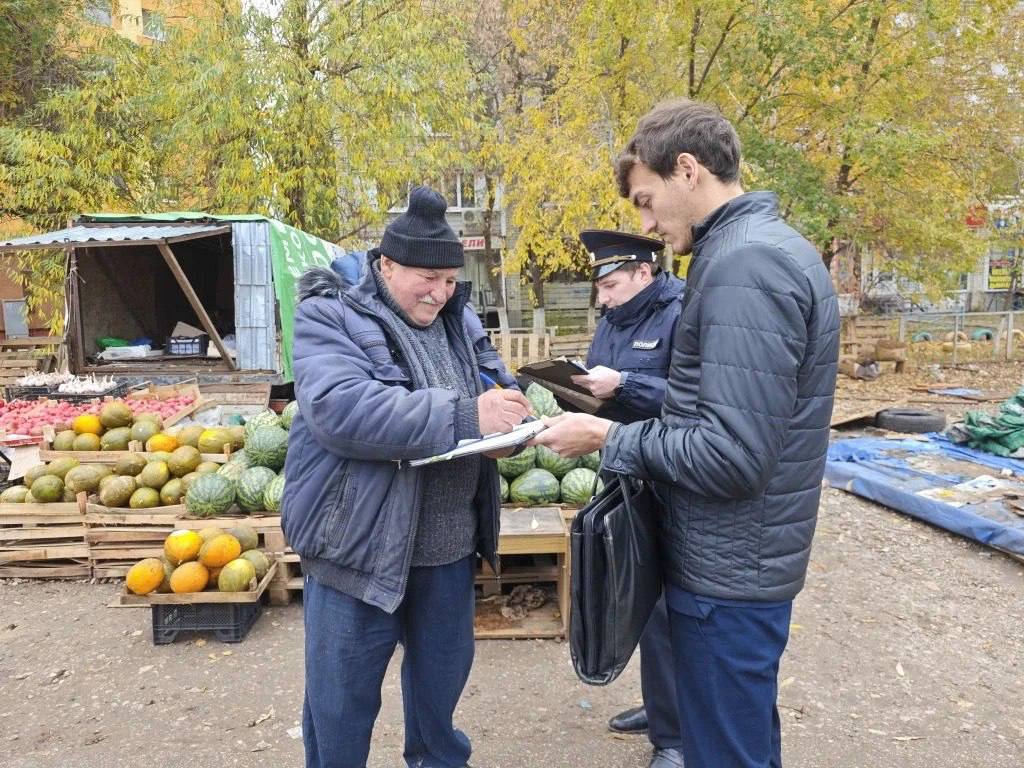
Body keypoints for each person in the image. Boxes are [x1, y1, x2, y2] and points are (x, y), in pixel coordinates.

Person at [533, 98, 840, 768]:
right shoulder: (750, 253)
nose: (645, 223)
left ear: (689, 170)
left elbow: (732, 455)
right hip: (737, 559)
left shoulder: (744, 268)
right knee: (741, 739)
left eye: (646, 200)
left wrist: (607, 439)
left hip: (728, 570)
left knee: (725, 752)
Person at [282, 185, 532, 768]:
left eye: (450, 281)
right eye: (427, 278)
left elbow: (493, 386)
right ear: (386, 263)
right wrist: (468, 416)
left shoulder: (459, 319)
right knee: (340, 706)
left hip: (447, 551)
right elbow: (341, 409)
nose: (440, 293)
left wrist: (508, 426)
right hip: (357, 548)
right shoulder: (329, 314)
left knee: (438, 699)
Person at [571, 229, 686, 768]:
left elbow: (695, 400)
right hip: (624, 473)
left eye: (612, 285)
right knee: (636, 593)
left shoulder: (682, 312)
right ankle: (662, 704)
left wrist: (623, 386)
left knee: (668, 608)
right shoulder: (614, 320)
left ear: (645, 273)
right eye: (600, 288)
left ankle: (675, 738)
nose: (603, 297)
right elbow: (604, 394)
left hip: (673, 478)